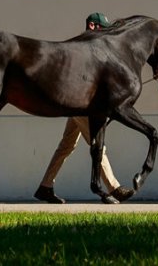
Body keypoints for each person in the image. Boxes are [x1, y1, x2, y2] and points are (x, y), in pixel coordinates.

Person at [34, 13, 136, 204]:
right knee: (98, 145)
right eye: (103, 28)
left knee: (66, 145)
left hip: (78, 105)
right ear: (92, 26)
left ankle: (45, 187)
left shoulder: (88, 46)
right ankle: (114, 188)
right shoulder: (85, 46)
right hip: (81, 106)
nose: (106, 33)